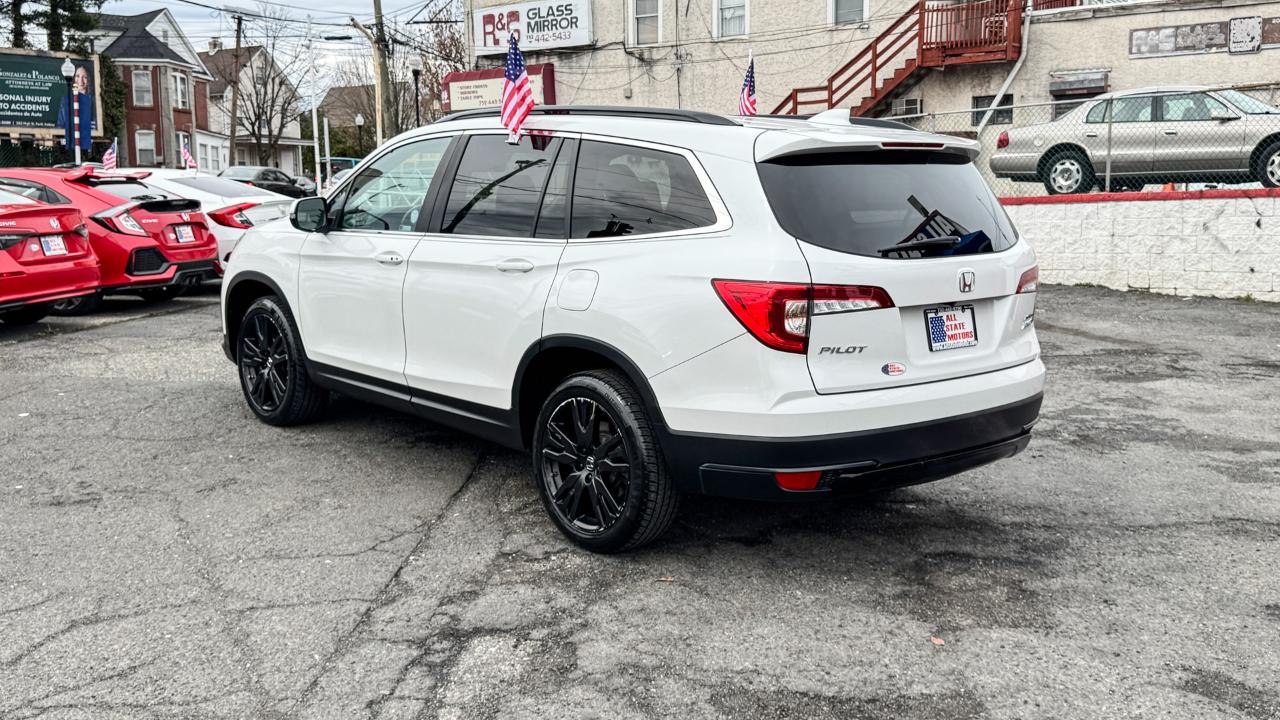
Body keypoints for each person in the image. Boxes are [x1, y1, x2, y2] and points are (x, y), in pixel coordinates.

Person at [56, 64, 95, 154]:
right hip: (69, 144)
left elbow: (94, 126)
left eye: (84, 77)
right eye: (77, 76)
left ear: (88, 79)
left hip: (86, 143)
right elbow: (60, 125)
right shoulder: (66, 101)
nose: (80, 80)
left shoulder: (93, 101)